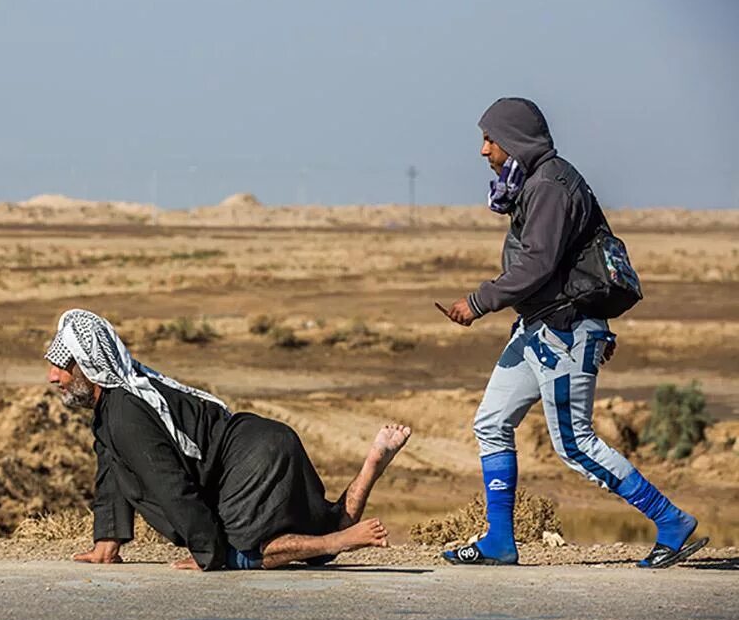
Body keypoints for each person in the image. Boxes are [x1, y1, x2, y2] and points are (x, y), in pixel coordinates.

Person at [439, 97, 707, 569]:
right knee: (491, 422)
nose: (483, 151)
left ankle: (671, 521)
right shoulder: (535, 183)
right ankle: (499, 541)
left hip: (564, 331)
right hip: (538, 329)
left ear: (514, 141)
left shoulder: (550, 186)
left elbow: (536, 265)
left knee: (575, 443)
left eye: (490, 140)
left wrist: (478, 302)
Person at [44, 308, 411, 571]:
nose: (52, 377)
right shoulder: (118, 404)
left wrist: (208, 552)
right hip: (266, 441)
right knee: (321, 524)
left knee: (248, 552)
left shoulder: (125, 412)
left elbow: (169, 484)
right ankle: (370, 467)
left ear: (85, 366)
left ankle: (338, 542)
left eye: (60, 367)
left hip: (251, 463)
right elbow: (112, 470)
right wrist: (107, 543)